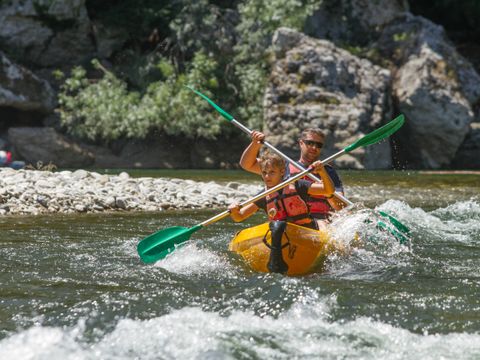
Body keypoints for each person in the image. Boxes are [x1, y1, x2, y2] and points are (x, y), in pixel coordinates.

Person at [239, 128, 346, 214]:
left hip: (322, 219)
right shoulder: (283, 167)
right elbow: (247, 164)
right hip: (291, 218)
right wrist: (255, 144)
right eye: (310, 143)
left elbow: (341, 207)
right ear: (301, 143)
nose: (314, 147)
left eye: (318, 145)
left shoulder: (328, 171)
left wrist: (328, 192)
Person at [229, 150, 335, 230]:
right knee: (277, 227)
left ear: (282, 171)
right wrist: (234, 211)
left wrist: (322, 172)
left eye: (272, 172)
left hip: (307, 230)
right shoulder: (263, 196)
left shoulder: (297, 185)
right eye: (264, 172)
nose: (267, 176)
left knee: (324, 227)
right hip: (281, 232)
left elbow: (328, 190)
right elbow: (240, 216)